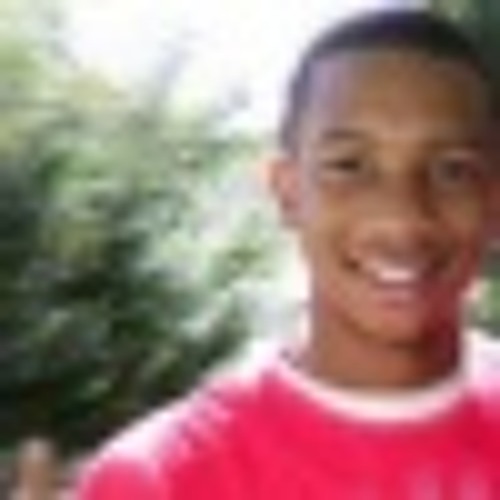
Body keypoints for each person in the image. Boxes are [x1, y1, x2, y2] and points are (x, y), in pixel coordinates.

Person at [76, 8, 500, 499]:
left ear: (494, 201)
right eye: (349, 165)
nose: (401, 216)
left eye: (452, 170)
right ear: (288, 192)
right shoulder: (162, 479)